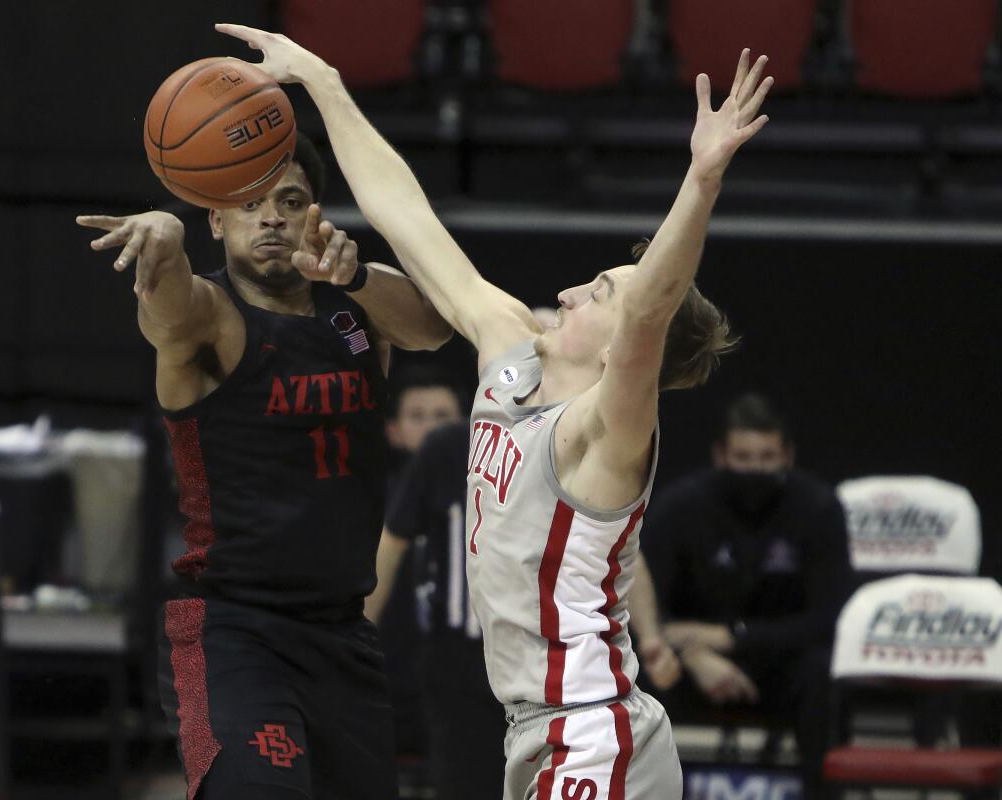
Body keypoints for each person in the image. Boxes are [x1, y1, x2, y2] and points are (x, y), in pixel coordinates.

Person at [217, 23, 770, 798]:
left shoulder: (601, 436)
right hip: (536, 727)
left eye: (600, 292)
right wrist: (323, 81)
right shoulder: (511, 351)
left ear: (621, 352)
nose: (575, 290)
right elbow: (408, 221)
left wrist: (702, 181)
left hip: (591, 732)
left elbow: (650, 311)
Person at [77, 133, 452, 799]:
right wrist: (164, 235)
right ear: (215, 220)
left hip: (342, 633)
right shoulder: (210, 314)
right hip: (235, 629)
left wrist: (357, 274)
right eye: (249, 204)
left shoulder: (354, 310)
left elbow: (434, 327)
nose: (272, 216)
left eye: (290, 200)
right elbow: (166, 309)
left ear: (315, 216)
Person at [368, 417, 682, 800]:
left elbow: (620, 546)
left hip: (556, 667)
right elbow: (393, 540)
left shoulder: (577, 435)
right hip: (461, 665)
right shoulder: (449, 446)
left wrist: (650, 637)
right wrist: (359, 634)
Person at [641, 393, 853, 797]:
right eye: (743, 457)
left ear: (788, 456)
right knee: (637, 671)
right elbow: (644, 608)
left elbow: (829, 619)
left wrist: (732, 637)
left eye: (767, 457)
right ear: (720, 455)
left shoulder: (819, 509)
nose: (755, 468)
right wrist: (695, 656)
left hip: (782, 666)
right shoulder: (680, 508)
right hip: (692, 662)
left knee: (822, 673)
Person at [377, 364, 465, 774]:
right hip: (384, 686)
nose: (432, 429)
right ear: (392, 430)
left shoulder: (489, 502)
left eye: (443, 417)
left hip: (463, 686)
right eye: (417, 416)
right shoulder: (366, 505)